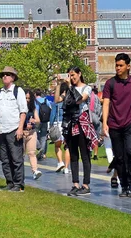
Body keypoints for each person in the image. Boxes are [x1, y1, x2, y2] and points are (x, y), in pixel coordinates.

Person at [102, 53, 131, 198]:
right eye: (116, 65)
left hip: (130, 123)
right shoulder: (110, 83)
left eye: (120, 65)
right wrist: (104, 123)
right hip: (114, 124)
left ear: (128, 66)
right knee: (119, 157)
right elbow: (106, 103)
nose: (118, 68)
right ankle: (124, 184)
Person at [58, 67, 98, 196]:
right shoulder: (68, 89)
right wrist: (60, 85)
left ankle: (86, 184)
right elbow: (57, 100)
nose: (72, 78)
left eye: (73, 75)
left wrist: (70, 86)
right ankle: (75, 183)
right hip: (70, 122)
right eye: (70, 75)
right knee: (73, 153)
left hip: (81, 122)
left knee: (85, 154)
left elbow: (80, 99)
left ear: (79, 74)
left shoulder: (86, 88)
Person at [0, 66, 28, 192]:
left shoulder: (18, 91)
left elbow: (23, 111)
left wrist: (20, 128)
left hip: (13, 128)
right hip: (1, 129)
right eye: (3, 75)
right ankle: (10, 182)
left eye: (7, 74)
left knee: (16, 158)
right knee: (4, 159)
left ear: (13, 77)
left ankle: (18, 184)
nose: (4, 76)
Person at [50, 82, 69, 173]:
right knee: (67, 147)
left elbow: (53, 114)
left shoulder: (58, 100)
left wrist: (50, 125)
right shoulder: (69, 98)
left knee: (57, 146)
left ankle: (60, 162)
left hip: (58, 124)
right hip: (68, 124)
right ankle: (66, 167)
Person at [23, 90, 43, 180]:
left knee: (32, 153)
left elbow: (38, 120)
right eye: (25, 98)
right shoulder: (19, 108)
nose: (27, 100)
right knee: (20, 154)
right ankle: (18, 172)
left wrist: (34, 121)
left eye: (29, 98)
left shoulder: (33, 108)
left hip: (32, 132)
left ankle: (35, 171)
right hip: (22, 133)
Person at [34, 90, 51, 160]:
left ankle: (39, 148)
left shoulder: (34, 101)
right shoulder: (45, 100)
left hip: (36, 120)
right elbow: (50, 108)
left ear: (35, 94)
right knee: (43, 137)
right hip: (44, 120)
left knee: (34, 135)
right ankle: (43, 153)